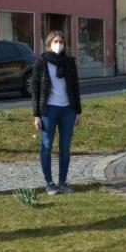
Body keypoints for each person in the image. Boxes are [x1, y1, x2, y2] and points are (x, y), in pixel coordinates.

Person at [32, 31, 82, 195]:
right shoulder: (41, 61)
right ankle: (49, 183)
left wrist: (78, 111)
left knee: (65, 147)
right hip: (48, 110)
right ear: (49, 44)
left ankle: (62, 182)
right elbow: (36, 89)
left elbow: (75, 87)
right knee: (46, 145)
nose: (58, 45)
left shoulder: (69, 62)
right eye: (55, 41)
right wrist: (36, 115)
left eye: (61, 42)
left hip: (68, 109)